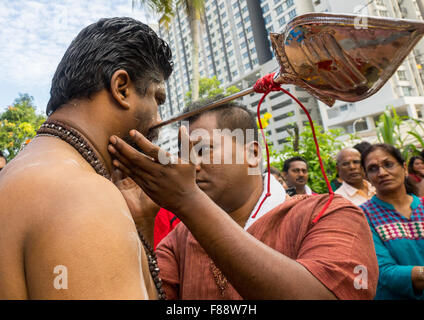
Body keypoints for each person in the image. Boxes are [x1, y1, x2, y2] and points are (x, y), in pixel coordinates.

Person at [108, 99, 379, 300]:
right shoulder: (180, 239)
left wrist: (188, 200)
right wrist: (142, 221)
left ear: (252, 154)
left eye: (202, 150)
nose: (190, 165)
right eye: (184, 153)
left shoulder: (329, 213)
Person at [0, 17, 173, 299]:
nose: (159, 119)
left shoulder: (19, 174)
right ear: (122, 88)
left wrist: (140, 224)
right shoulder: (84, 195)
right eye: (158, 99)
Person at [359, 144, 424, 299]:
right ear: (367, 177)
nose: (382, 173)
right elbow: (384, 272)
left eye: (388, 165)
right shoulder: (361, 216)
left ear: (404, 168)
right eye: (373, 168)